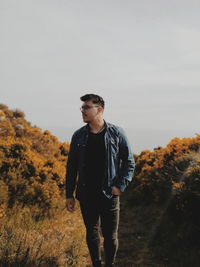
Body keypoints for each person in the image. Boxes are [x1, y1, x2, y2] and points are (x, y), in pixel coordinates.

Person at [66, 94, 135, 267]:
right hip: (86, 193)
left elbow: (129, 162)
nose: (83, 111)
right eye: (82, 108)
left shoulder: (116, 133)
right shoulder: (79, 136)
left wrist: (119, 186)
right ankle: (96, 263)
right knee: (91, 232)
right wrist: (69, 194)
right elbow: (71, 166)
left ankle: (109, 264)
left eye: (86, 107)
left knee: (110, 235)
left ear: (100, 109)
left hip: (109, 194)